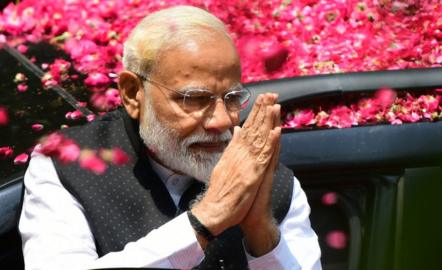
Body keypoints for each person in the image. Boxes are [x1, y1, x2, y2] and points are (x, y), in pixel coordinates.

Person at [19, 5, 321, 270]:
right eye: (194, 99)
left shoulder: (274, 183)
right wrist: (206, 219)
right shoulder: (65, 165)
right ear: (133, 94)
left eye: (231, 97)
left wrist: (262, 233)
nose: (221, 121)